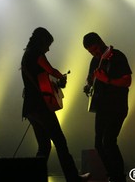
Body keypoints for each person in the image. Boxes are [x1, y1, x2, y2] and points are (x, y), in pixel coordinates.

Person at [21, 27, 90, 182]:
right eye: (48, 44)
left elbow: (42, 81)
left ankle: (34, 177)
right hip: (41, 107)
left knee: (44, 146)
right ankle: (73, 178)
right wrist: (61, 77)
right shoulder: (36, 54)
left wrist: (57, 82)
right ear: (41, 42)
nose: (48, 48)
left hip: (30, 108)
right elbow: (51, 70)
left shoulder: (27, 56)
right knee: (60, 142)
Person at [82, 32, 132, 182]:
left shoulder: (117, 56)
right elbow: (92, 80)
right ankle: (112, 175)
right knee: (99, 144)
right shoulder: (94, 61)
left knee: (109, 141)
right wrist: (89, 84)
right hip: (101, 107)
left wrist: (107, 80)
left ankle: (119, 177)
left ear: (101, 42)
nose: (94, 53)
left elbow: (127, 81)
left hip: (117, 106)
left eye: (95, 49)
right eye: (90, 51)